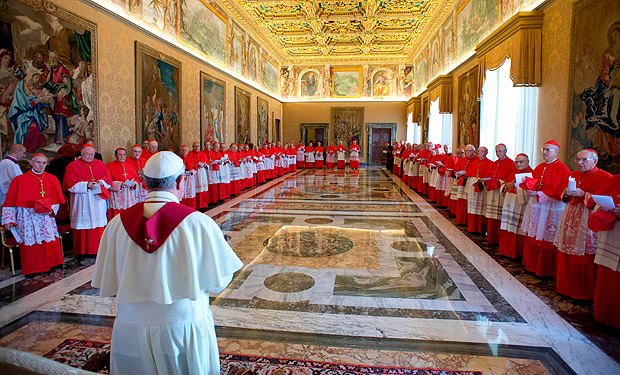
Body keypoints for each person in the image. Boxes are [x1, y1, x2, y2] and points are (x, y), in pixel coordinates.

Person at [92, 151, 243, 375]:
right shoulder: (198, 223)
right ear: (181, 181)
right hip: (182, 325)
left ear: (143, 182)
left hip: (130, 326)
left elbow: (108, 276)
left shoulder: (115, 224)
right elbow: (219, 281)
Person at [554, 149, 611, 299]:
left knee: (584, 255)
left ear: (595, 161)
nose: (579, 163)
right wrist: (566, 193)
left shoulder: (605, 177)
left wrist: (583, 194)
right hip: (570, 216)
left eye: (584, 160)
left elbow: (606, 202)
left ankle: (582, 293)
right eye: (578, 159)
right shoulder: (573, 174)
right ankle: (565, 287)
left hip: (587, 219)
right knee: (566, 252)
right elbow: (564, 194)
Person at [2, 153, 65, 275]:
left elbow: (56, 201)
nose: (41, 165)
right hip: (27, 217)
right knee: (30, 242)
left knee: (48, 241)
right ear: (31, 163)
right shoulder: (19, 180)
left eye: (44, 163)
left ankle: (50, 265)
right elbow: (10, 202)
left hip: (46, 217)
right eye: (38, 162)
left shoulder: (52, 179)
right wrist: (9, 220)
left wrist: (51, 210)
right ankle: (32, 269)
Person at [521, 140, 571, 277]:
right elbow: (535, 183)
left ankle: (544, 270)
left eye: (548, 150)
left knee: (546, 237)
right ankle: (531, 265)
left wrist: (539, 194)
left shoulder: (563, 169)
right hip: (538, 206)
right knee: (535, 234)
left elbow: (559, 191)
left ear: (557, 151)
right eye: (544, 149)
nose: (544, 152)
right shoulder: (540, 167)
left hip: (551, 208)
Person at [63, 144, 111, 255]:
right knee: (83, 223)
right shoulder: (72, 166)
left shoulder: (100, 164)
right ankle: (82, 251)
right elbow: (69, 185)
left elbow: (108, 179)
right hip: (82, 199)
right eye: (87, 154)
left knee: (98, 224)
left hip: (97, 199)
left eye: (92, 154)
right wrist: (86, 185)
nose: (90, 156)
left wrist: (101, 182)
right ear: (82, 153)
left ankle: (99, 250)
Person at [591, 173, 620, 329]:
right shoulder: (615, 179)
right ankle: (605, 315)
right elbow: (596, 202)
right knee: (608, 274)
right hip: (612, 233)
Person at [498, 154, 534, 259]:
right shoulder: (513, 173)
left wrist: (512, 187)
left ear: (528, 161)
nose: (518, 164)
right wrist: (505, 186)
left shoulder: (530, 174)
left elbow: (529, 193)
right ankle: (506, 250)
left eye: (521, 162)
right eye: (517, 162)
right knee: (508, 226)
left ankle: (516, 253)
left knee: (517, 228)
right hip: (510, 203)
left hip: (520, 205)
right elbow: (505, 185)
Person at [483, 144, 517, 244]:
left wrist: (500, 182)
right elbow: (488, 175)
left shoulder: (511, 163)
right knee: (492, 215)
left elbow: (511, 180)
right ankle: (491, 237)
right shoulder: (494, 163)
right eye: (497, 151)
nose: (498, 153)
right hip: (492, 192)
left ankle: (499, 239)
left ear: (506, 151)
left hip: (502, 193)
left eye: (500, 151)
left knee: (500, 216)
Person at [465, 146, 493, 233]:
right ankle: (472, 227)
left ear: (486, 152)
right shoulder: (474, 162)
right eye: (479, 151)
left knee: (481, 206)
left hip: (482, 185)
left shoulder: (490, 163)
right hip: (473, 185)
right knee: (472, 206)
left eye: (482, 151)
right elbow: (469, 174)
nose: (480, 153)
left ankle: (480, 228)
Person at [106, 147, 139, 218]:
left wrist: (134, 184)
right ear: (115, 155)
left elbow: (136, 178)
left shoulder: (130, 165)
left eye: (124, 155)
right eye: (120, 154)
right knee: (117, 216)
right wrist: (120, 184)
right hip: (116, 196)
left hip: (128, 195)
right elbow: (107, 182)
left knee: (129, 215)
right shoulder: (109, 166)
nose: (122, 156)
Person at [453, 145, 476, 224]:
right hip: (462, 182)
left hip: (471, 183)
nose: (468, 152)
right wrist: (458, 174)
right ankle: (461, 219)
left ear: (474, 151)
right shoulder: (463, 159)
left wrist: (466, 173)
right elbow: (456, 169)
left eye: (470, 151)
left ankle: (469, 221)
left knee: (470, 202)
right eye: (467, 151)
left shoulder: (476, 159)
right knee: (462, 200)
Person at [189, 142, 209, 209]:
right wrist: (195, 165)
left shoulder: (202, 154)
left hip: (202, 172)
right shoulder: (189, 154)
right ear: (192, 147)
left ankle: (203, 204)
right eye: (195, 146)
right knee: (196, 188)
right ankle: (197, 205)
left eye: (198, 146)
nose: (197, 148)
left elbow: (207, 163)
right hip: (195, 174)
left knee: (203, 188)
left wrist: (205, 165)